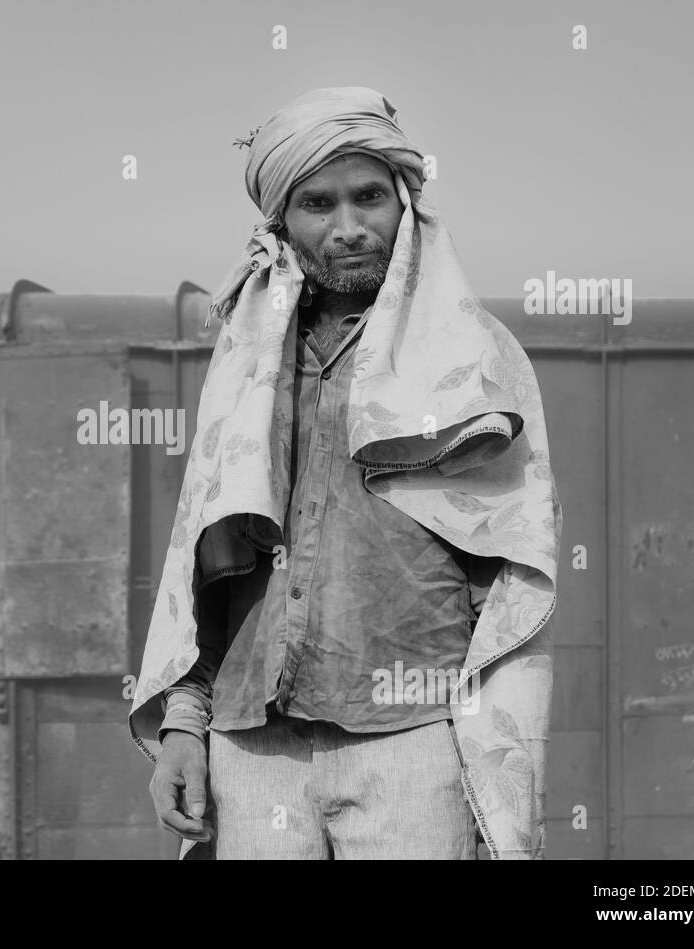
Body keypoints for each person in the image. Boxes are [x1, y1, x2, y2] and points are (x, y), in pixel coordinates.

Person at [129, 87, 563, 859]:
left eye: (368, 197)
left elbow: (511, 578)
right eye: (317, 203)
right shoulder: (246, 363)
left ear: (404, 203)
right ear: (281, 222)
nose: (348, 227)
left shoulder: (474, 360)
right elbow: (208, 564)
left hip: (411, 742)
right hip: (252, 745)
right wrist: (183, 724)